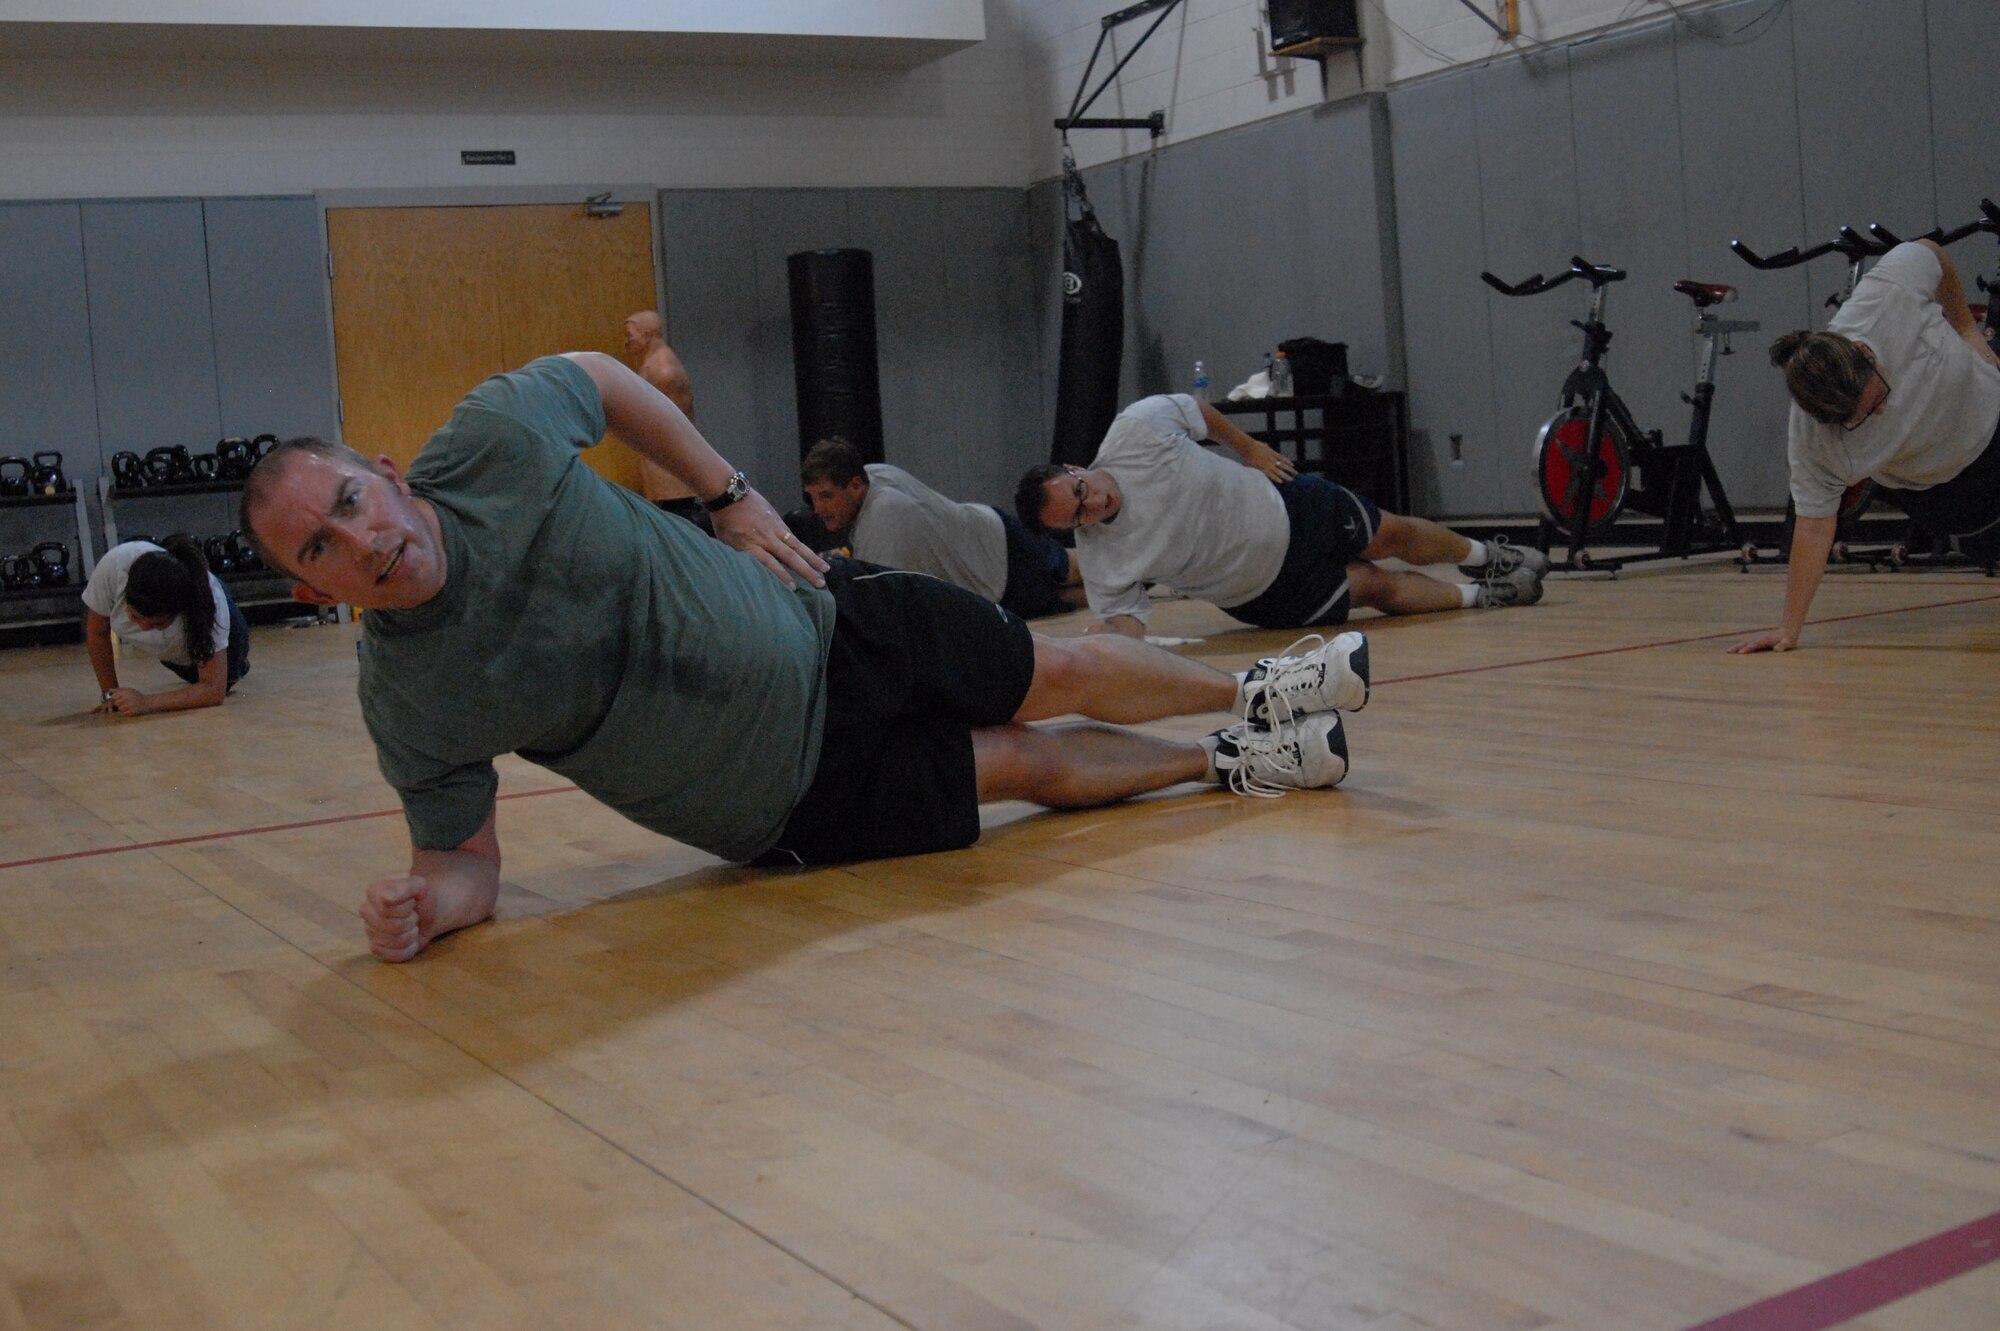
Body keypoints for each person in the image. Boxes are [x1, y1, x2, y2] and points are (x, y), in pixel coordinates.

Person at [238, 353, 1375, 963]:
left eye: (348, 500)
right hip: (784, 799)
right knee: (1016, 762)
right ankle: (1228, 757)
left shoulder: (486, 440)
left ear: (384, 472)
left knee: (1053, 669)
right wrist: (424, 905)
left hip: (822, 616)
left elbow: (599, 378)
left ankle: (1259, 684)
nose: (359, 538)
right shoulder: (407, 695)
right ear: (310, 585)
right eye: (319, 545)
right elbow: (463, 861)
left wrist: (729, 495)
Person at [1014, 394, 1546, 638]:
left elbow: (1196, 411)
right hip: (1264, 591)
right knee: (1373, 586)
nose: (1094, 507)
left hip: (1289, 503)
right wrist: (1101, 646)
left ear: (1075, 467)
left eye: (1082, 492)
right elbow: (1126, 621)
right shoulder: (1105, 561)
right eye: (1078, 518)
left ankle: (1486, 556)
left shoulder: (1134, 431)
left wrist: (1248, 448)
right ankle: (1483, 596)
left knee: (1393, 533)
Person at [1734, 239, 2000, 654]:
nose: (1879, 414)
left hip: (1992, 411)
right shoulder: (1811, 439)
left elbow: (1932, 251)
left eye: (1877, 398)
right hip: (1948, 493)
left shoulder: (1885, 296)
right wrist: (1789, 629)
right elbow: (1815, 526)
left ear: (1864, 350)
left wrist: (1966, 328)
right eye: (1859, 417)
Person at [800, 438, 1086, 620]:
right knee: (1076, 574)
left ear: (854, 485)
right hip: (990, 531)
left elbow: (886, 612)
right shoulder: (874, 473)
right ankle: (1128, 572)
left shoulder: (882, 520)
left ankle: (1129, 569)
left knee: (1077, 582)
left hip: (996, 571)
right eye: (812, 497)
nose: (818, 509)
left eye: (826, 496)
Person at [82, 535, 250, 715]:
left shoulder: (209, 604)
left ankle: (239, 664)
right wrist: (109, 694)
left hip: (228, 638)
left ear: (179, 612)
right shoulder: (114, 566)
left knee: (228, 676)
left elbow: (213, 692)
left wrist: (146, 702)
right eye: (135, 616)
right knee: (191, 678)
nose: (144, 628)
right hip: (174, 656)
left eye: (158, 624)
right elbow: (97, 633)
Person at [622, 310, 706, 523]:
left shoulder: (663, 371)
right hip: (662, 459)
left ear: (647, 335)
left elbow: (663, 423)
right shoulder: (653, 364)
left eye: (630, 336)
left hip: (670, 465)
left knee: (676, 520)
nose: (626, 343)